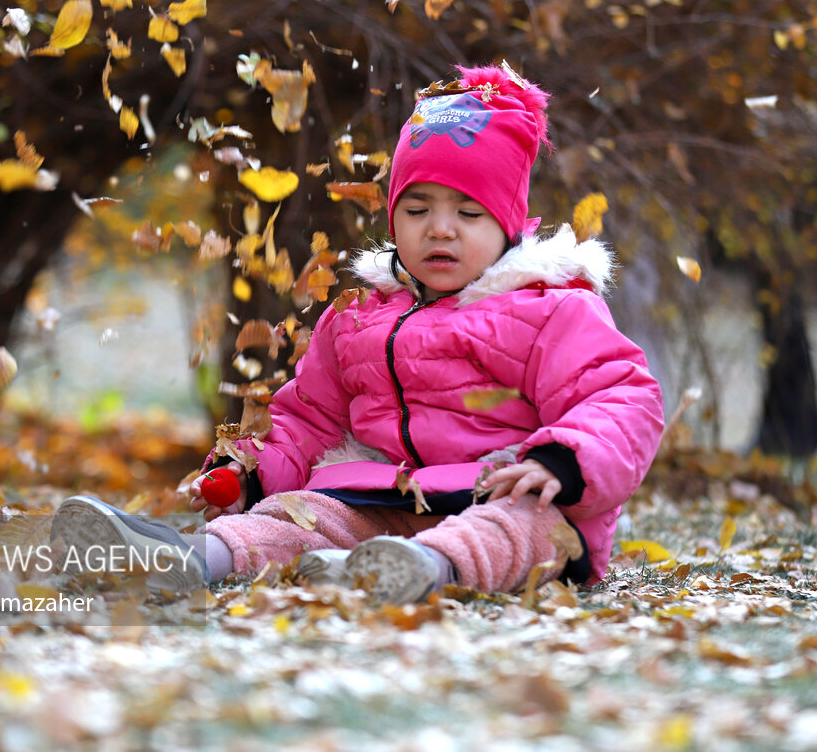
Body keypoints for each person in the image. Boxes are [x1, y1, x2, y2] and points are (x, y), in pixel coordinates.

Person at [50, 63, 664, 604]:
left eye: (468, 214)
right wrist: (254, 469)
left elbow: (621, 398)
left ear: (506, 223)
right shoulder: (359, 316)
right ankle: (184, 558)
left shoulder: (553, 310)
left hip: (507, 497)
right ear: (393, 214)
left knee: (516, 525)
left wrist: (560, 460)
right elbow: (311, 420)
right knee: (301, 517)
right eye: (417, 210)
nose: (440, 230)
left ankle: (426, 569)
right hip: (384, 505)